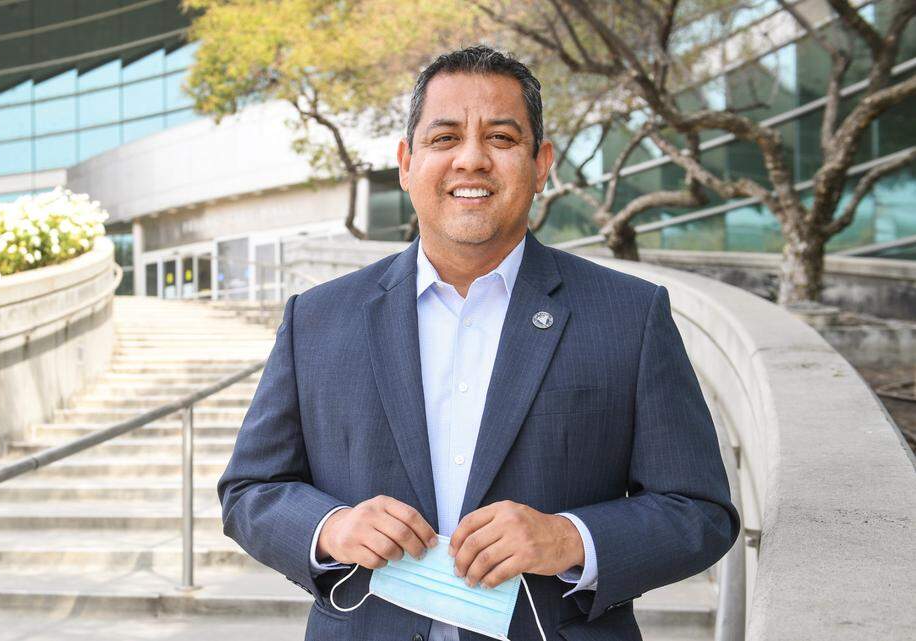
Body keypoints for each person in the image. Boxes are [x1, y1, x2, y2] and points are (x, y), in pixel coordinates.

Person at [218, 45, 739, 641]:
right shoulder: (317, 319)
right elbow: (249, 490)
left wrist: (568, 538)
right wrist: (331, 527)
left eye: (501, 138)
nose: (472, 160)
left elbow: (699, 511)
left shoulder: (630, 315)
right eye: (444, 139)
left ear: (541, 164)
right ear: (406, 163)